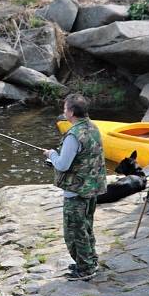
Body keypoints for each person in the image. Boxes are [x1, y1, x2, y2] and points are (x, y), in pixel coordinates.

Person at [45, 94, 107, 281]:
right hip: (92, 188)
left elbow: (63, 165)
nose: (64, 111)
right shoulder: (93, 127)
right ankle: (89, 260)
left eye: (65, 108)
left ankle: (86, 269)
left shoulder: (73, 135)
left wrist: (52, 154)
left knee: (74, 231)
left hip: (76, 191)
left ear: (71, 112)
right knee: (86, 226)